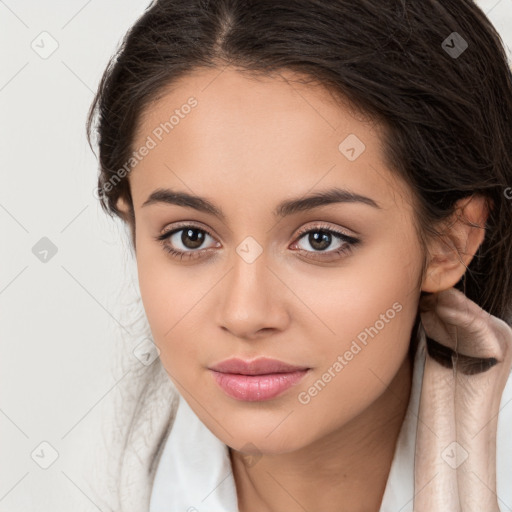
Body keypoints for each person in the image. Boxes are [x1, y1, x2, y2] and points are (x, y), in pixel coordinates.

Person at [85, 1, 512, 511]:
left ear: (451, 241)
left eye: (320, 240)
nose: (245, 314)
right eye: (191, 237)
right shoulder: (84, 483)